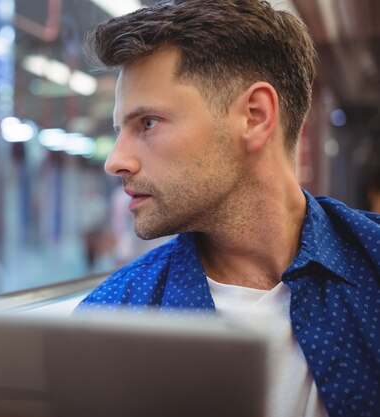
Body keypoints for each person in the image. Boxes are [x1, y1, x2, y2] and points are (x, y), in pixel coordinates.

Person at [76, 1, 380, 417]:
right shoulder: (109, 319)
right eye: (119, 130)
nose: (115, 161)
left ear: (254, 116)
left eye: (147, 123)